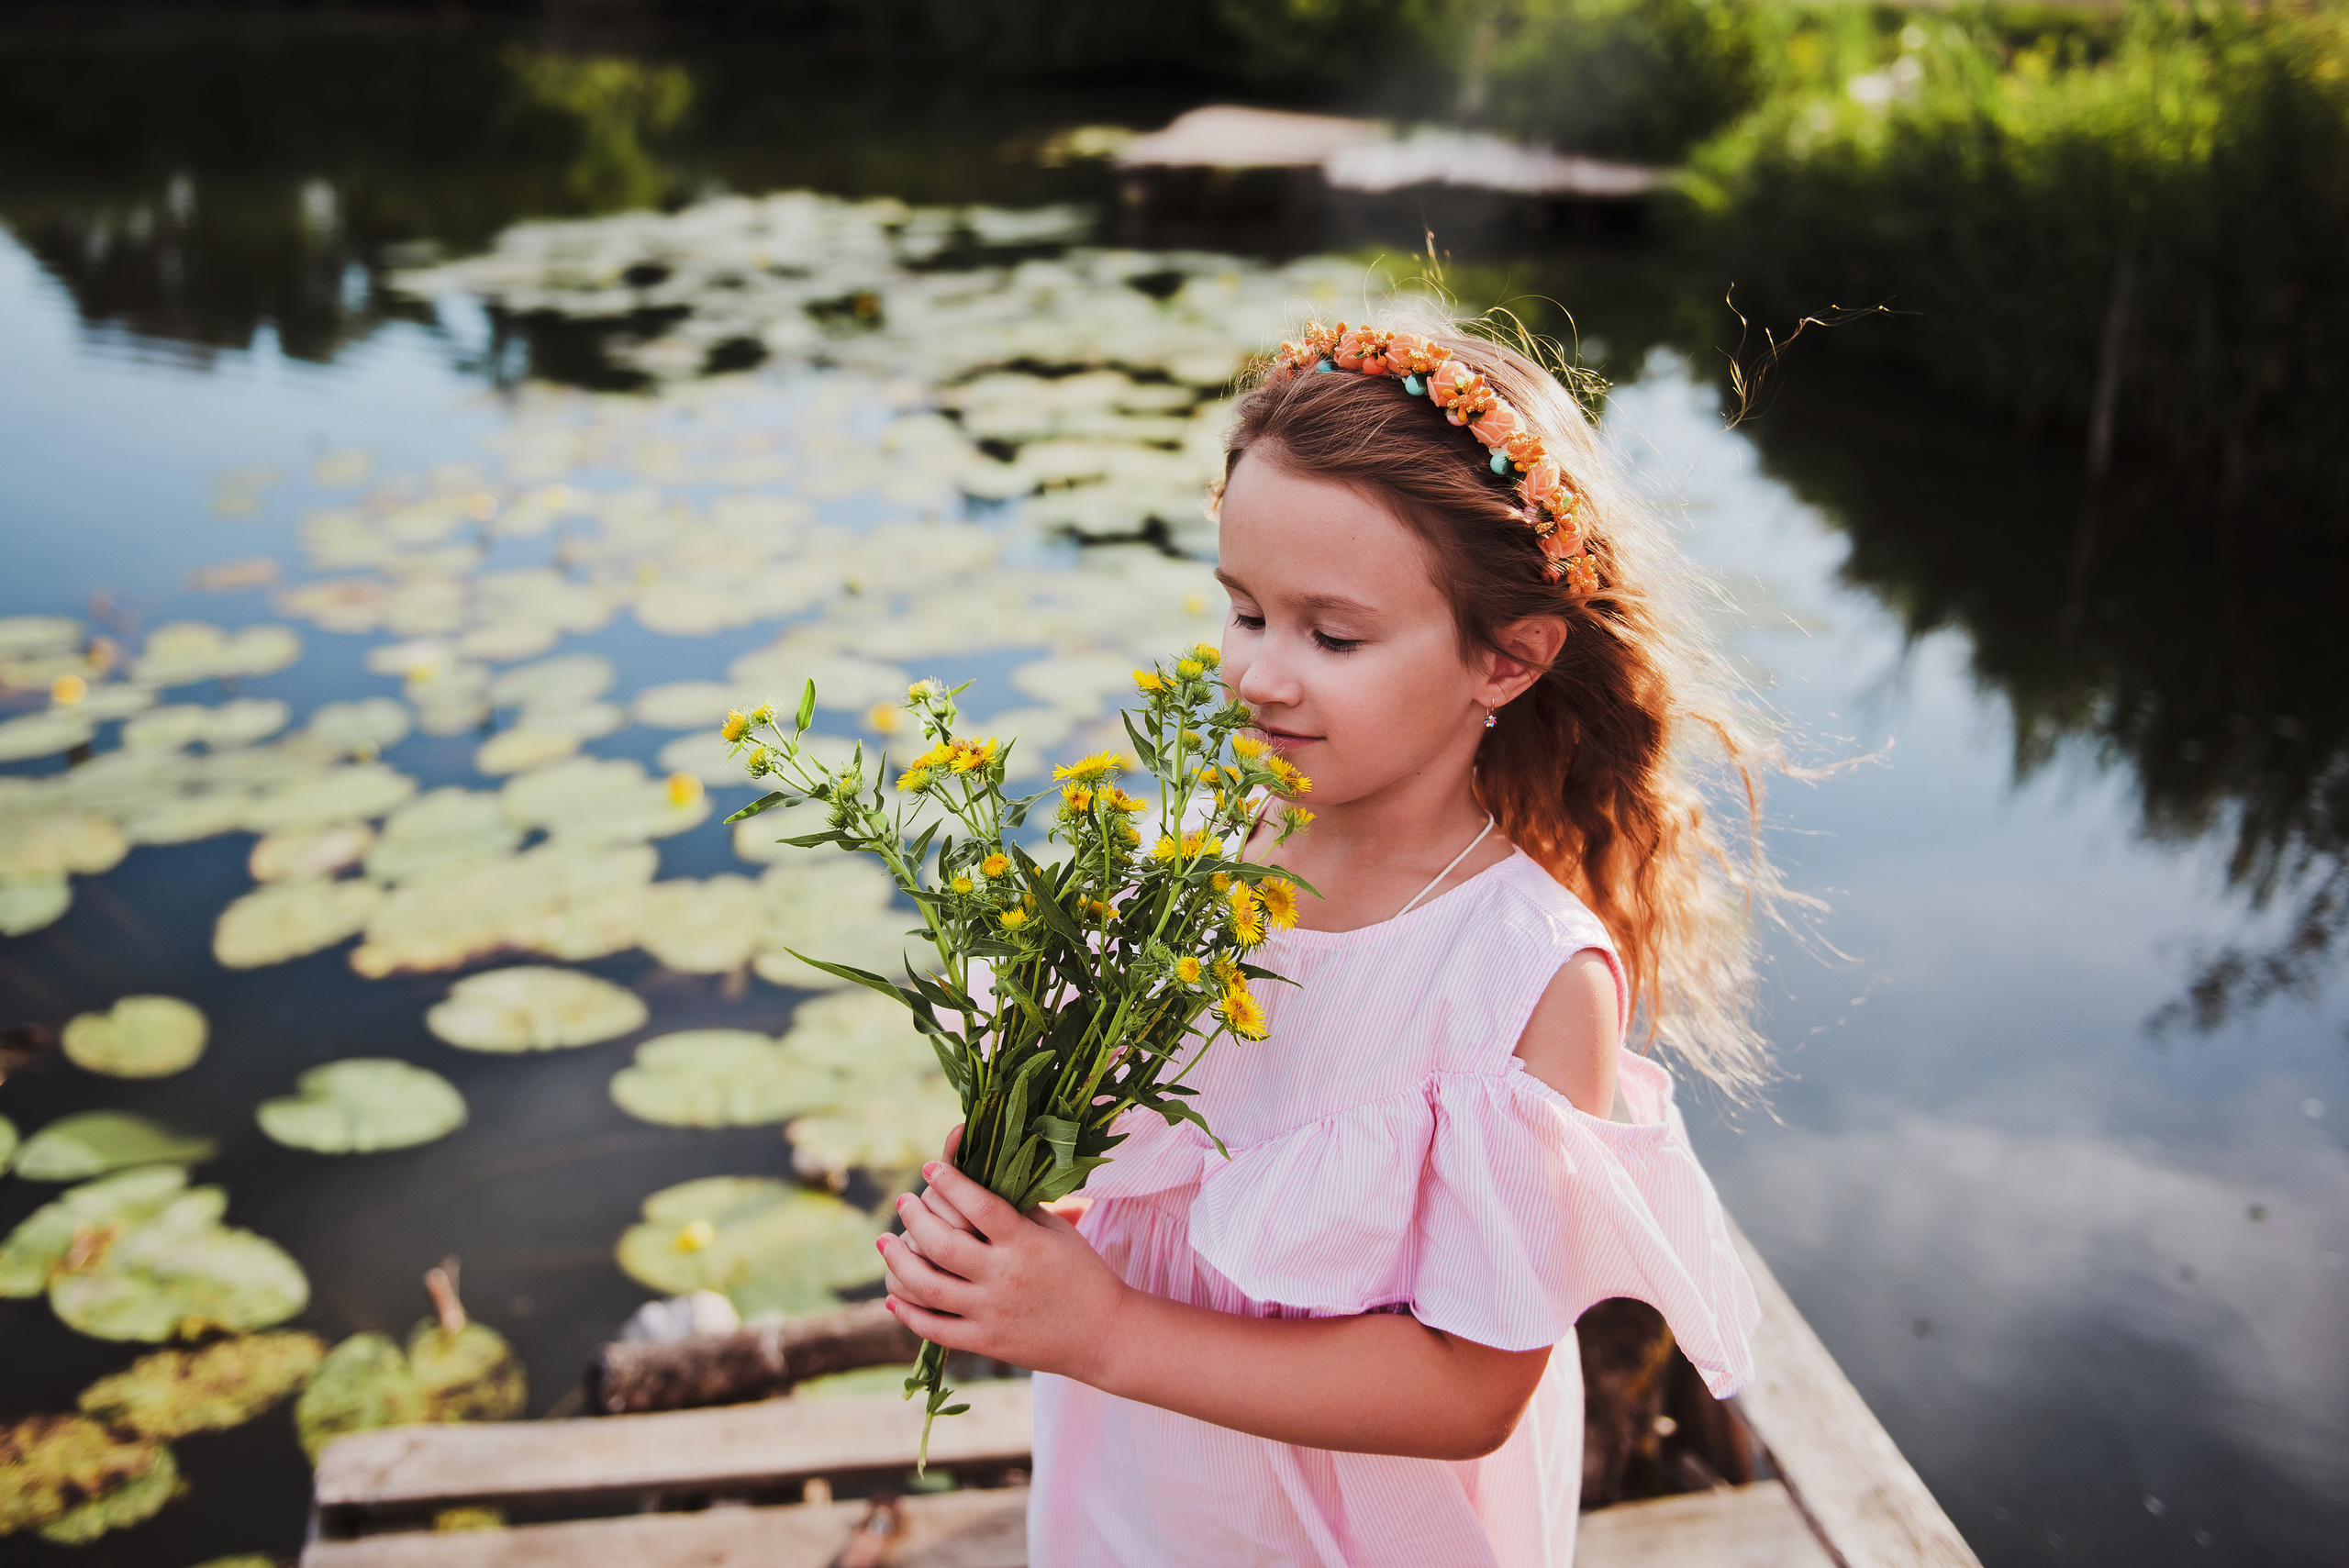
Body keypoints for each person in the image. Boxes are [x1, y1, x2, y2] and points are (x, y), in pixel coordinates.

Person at [877, 314, 1782, 1566]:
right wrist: (1007, 1183)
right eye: (1244, 611)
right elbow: (1129, 1166)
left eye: (1331, 635)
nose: (1258, 676)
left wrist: (1103, 1331)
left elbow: (1472, 1386)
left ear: (1507, 660)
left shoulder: (1525, 976)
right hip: (1139, 1502)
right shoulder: (1194, 861)